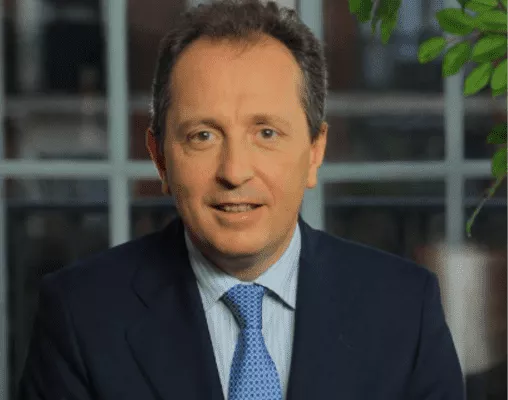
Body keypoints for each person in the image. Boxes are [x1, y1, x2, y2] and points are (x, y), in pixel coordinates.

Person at [17, 0, 465, 399]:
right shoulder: (81, 316)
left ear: (314, 152)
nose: (234, 171)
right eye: (203, 135)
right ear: (160, 158)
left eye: (266, 133)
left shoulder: (405, 309)